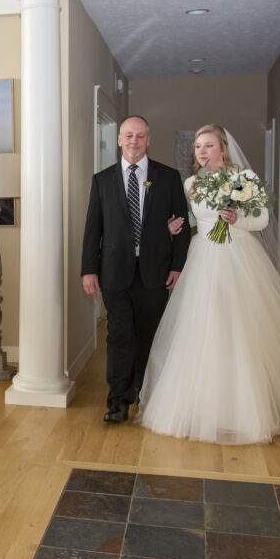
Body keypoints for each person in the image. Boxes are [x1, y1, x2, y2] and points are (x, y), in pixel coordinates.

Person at [136, 124, 280, 444]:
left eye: (209, 145)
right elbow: (194, 222)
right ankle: (200, 406)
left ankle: (244, 410)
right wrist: (174, 228)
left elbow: (263, 220)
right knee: (201, 329)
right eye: (198, 146)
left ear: (222, 149)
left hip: (238, 256)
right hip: (203, 258)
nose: (202, 151)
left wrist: (238, 220)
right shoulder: (191, 184)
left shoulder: (243, 179)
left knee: (238, 329)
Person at [81, 115, 191, 423]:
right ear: (119, 140)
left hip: (155, 273)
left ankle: (147, 393)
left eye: (140, 136)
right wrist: (89, 269)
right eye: (128, 135)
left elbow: (182, 227)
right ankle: (118, 399)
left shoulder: (168, 177)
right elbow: (93, 228)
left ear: (148, 140)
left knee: (149, 336)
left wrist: (178, 266)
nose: (134, 141)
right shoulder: (102, 180)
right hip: (114, 272)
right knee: (118, 336)